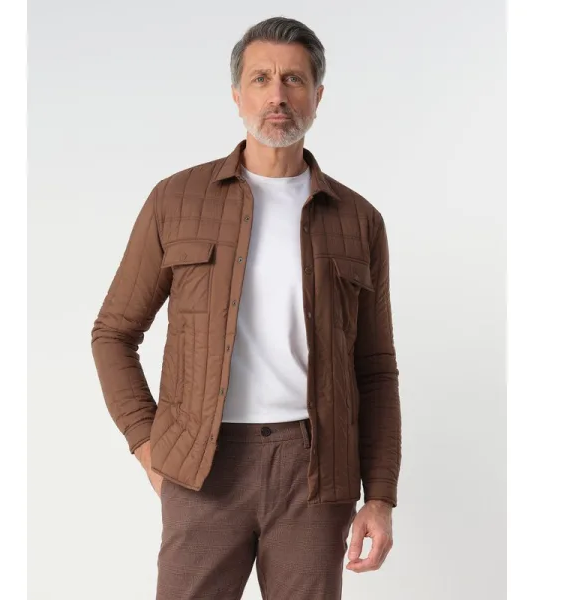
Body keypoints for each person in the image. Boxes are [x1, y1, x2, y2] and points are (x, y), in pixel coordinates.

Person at [91, 15, 402, 600]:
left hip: (316, 472)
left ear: (318, 96)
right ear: (237, 94)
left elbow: (376, 369)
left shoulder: (359, 221)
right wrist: (149, 446)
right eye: (261, 79)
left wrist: (380, 495)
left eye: (294, 79)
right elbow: (113, 333)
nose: (277, 95)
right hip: (203, 468)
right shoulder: (176, 201)